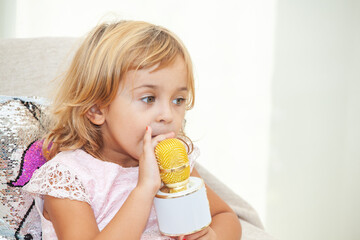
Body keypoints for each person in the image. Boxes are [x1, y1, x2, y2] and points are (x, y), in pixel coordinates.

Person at [23, 20, 242, 240]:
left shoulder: (172, 162)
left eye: (178, 100)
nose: (167, 115)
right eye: (148, 98)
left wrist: (213, 236)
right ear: (97, 109)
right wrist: (145, 189)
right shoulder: (68, 178)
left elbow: (225, 216)